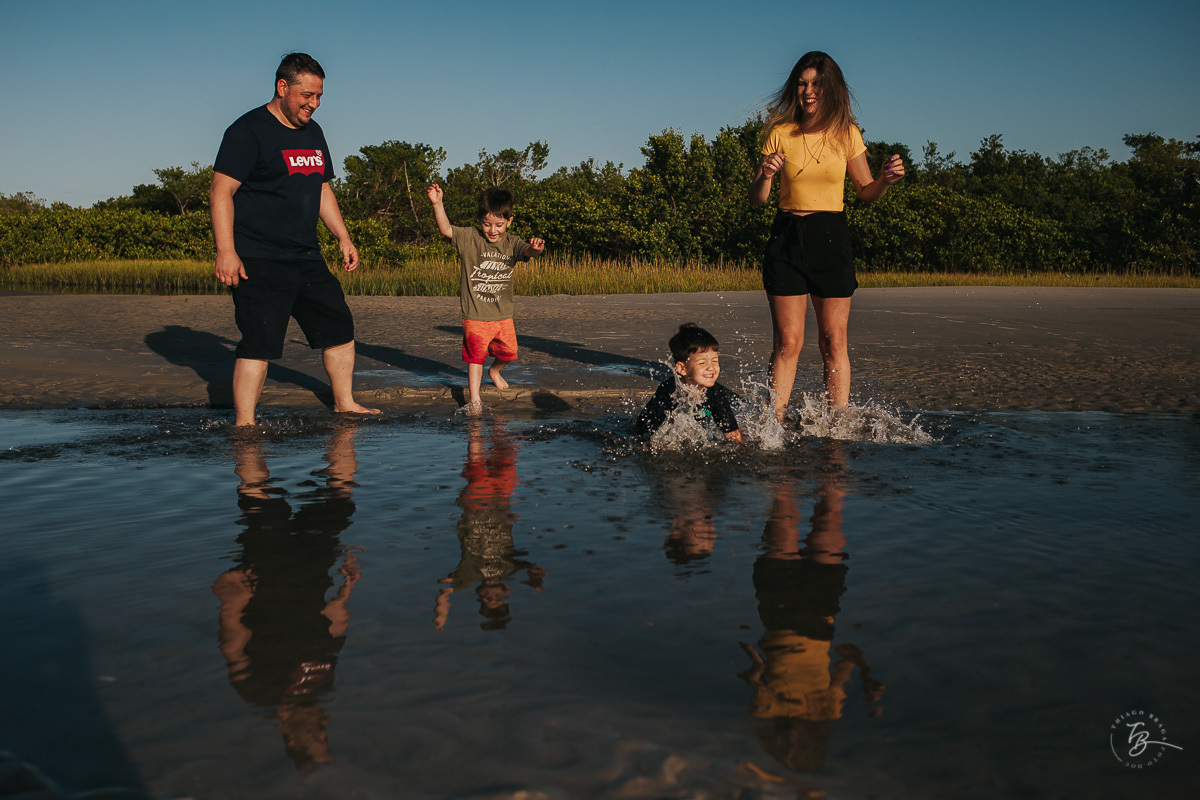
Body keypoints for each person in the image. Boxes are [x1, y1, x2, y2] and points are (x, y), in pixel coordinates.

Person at [210, 52, 380, 426]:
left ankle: (345, 402)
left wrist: (343, 236)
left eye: (319, 96)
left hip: (306, 254)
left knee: (339, 327)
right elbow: (221, 191)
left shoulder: (313, 133)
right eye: (307, 95)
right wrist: (226, 251)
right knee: (261, 340)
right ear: (282, 87)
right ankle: (245, 424)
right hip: (258, 256)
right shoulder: (247, 130)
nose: (313, 104)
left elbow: (321, 187)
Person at [749, 51, 905, 421]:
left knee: (833, 341)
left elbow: (865, 191)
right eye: (802, 83)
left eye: (816, 83)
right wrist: (766, 175)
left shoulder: (847, 134)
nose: (808, 90)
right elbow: (757, 199)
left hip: (832, 237)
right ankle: (775, 423)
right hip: (787, 237)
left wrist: (885, 180)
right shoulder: (779, 133)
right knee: (788, 343)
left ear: (829, 86)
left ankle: (837, 423)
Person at [426, 184, 545, 413]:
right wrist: (438, 204)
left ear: (509, 221)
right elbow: (446, 230)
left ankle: (495, 371)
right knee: (475, 357)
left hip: (502, 314)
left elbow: (528, 252)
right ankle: (475, 400)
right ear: (480, 220)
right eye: (487, 224)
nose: (492, 230)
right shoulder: (470, 237)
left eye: (499, 225)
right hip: (475, 314)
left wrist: (536, 249)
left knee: (509, 352)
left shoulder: (512, 242)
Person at [635, 323, 743, 443]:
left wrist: (744, 452)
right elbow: (652, 434)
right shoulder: (669, 391)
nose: (711, 368)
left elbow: (733, 433)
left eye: (714, 361)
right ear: (682, 368)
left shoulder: (717, 393)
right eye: (702, 363)